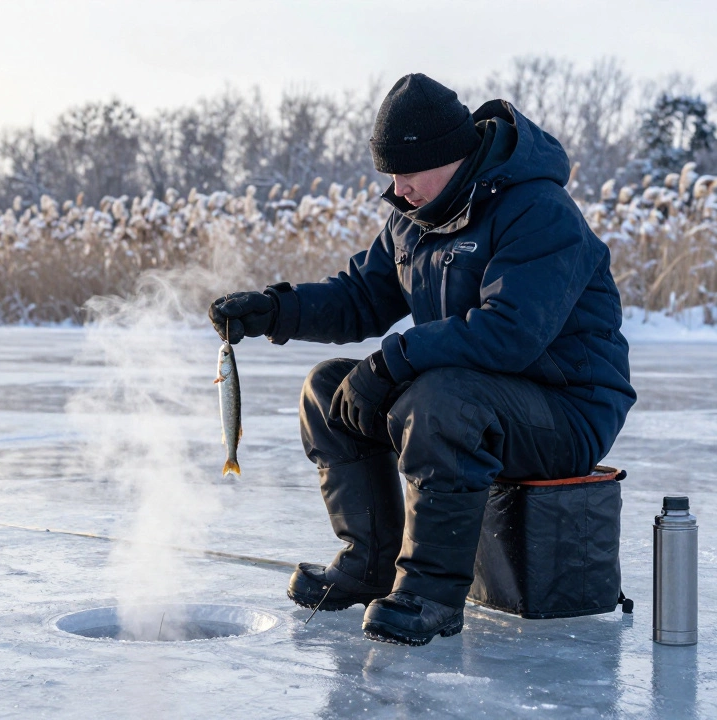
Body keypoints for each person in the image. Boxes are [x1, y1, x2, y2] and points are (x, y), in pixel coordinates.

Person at [208, 73, 636, 646]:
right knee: (327, 390)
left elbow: (508, 333)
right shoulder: (413, 220)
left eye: (407, 172)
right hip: (478, 396)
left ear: (451, 156)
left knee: (438, 402)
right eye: (389, 173)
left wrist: (391, 363)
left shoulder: (539, 211)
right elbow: (360, 298)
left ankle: (429, 595)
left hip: (567, 410)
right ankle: (369, 565)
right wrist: (273, 312)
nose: (396, 188)